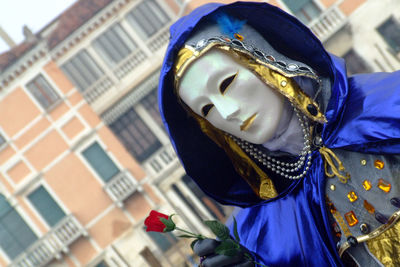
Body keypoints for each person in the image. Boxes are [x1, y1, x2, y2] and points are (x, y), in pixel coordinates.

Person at [158, 2, 400, 266]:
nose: (226, 113)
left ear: (263, 60)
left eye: (227, 83)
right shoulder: (257, 237)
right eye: (208, 109)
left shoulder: (388, 103)